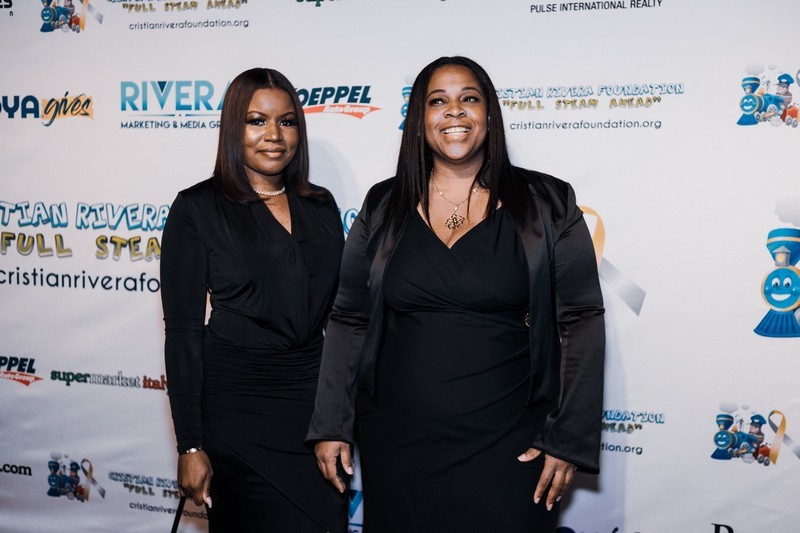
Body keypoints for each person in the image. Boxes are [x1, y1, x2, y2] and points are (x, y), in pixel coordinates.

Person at [307, 56, 605, 532]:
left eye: (469, 98)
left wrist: (568, 435)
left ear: (489, 113)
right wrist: (331, 423)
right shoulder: (383, 203)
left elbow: (582, 318)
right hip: (396, 443)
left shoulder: (548, 202)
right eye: (437, 101)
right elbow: (349, 317)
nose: (454, 111)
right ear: (419, 118)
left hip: (511, 443)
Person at [161, 67, 347, 532]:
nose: (274, 135)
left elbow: (343, 317)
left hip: (312, 411)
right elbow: (183, 333)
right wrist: (190, 445)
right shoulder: (197, 208)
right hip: (236, 414)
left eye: (287, 122)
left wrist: (337, 418)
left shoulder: (320, 204)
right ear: (233, 128)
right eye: (256, 121)